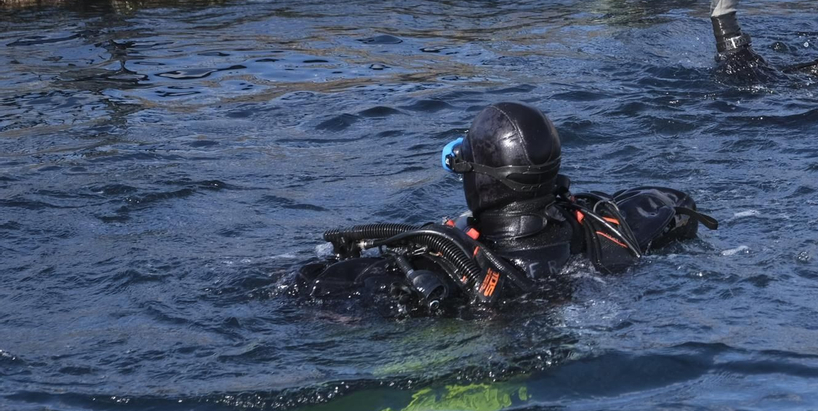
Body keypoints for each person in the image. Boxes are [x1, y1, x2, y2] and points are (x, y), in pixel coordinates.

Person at [290, 102, 714, 317]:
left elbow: (301, 287)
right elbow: (676, 202)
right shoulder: (597, 233)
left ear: (476, 176)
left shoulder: (439, 263)